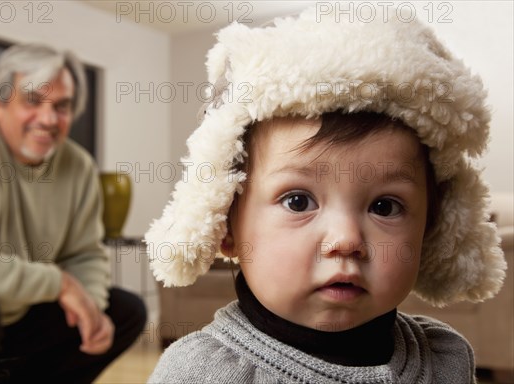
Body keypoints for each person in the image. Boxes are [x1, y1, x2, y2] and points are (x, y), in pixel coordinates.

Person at [144, 8, 507, 383]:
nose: (346, 240)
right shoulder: (200, 374)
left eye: (384, 206)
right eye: (298, 201)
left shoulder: (446, 360)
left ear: (432, 226)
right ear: (225, 222)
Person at [0, 43, 146, 383]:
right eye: (33, 101)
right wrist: (60, 285)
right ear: (0, 103)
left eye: (62, 106)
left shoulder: (78, 165)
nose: (49, 119)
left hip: (12, 307)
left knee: (124, 312)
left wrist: (89, 308)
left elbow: (85, 255)